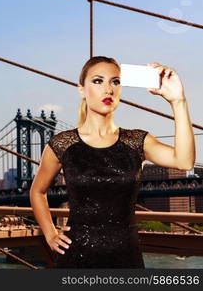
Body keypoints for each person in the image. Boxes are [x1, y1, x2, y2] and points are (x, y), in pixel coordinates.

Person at [29, 56, 195, 268]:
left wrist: (177, 101)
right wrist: (50, 233)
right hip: (75, 256)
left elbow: (184, 161)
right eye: (98, 81)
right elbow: (37, 191)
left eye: (115, 82)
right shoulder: (62, 144)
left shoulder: (137, 141)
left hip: (126, 258)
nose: (108, 89)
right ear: (81, 89)